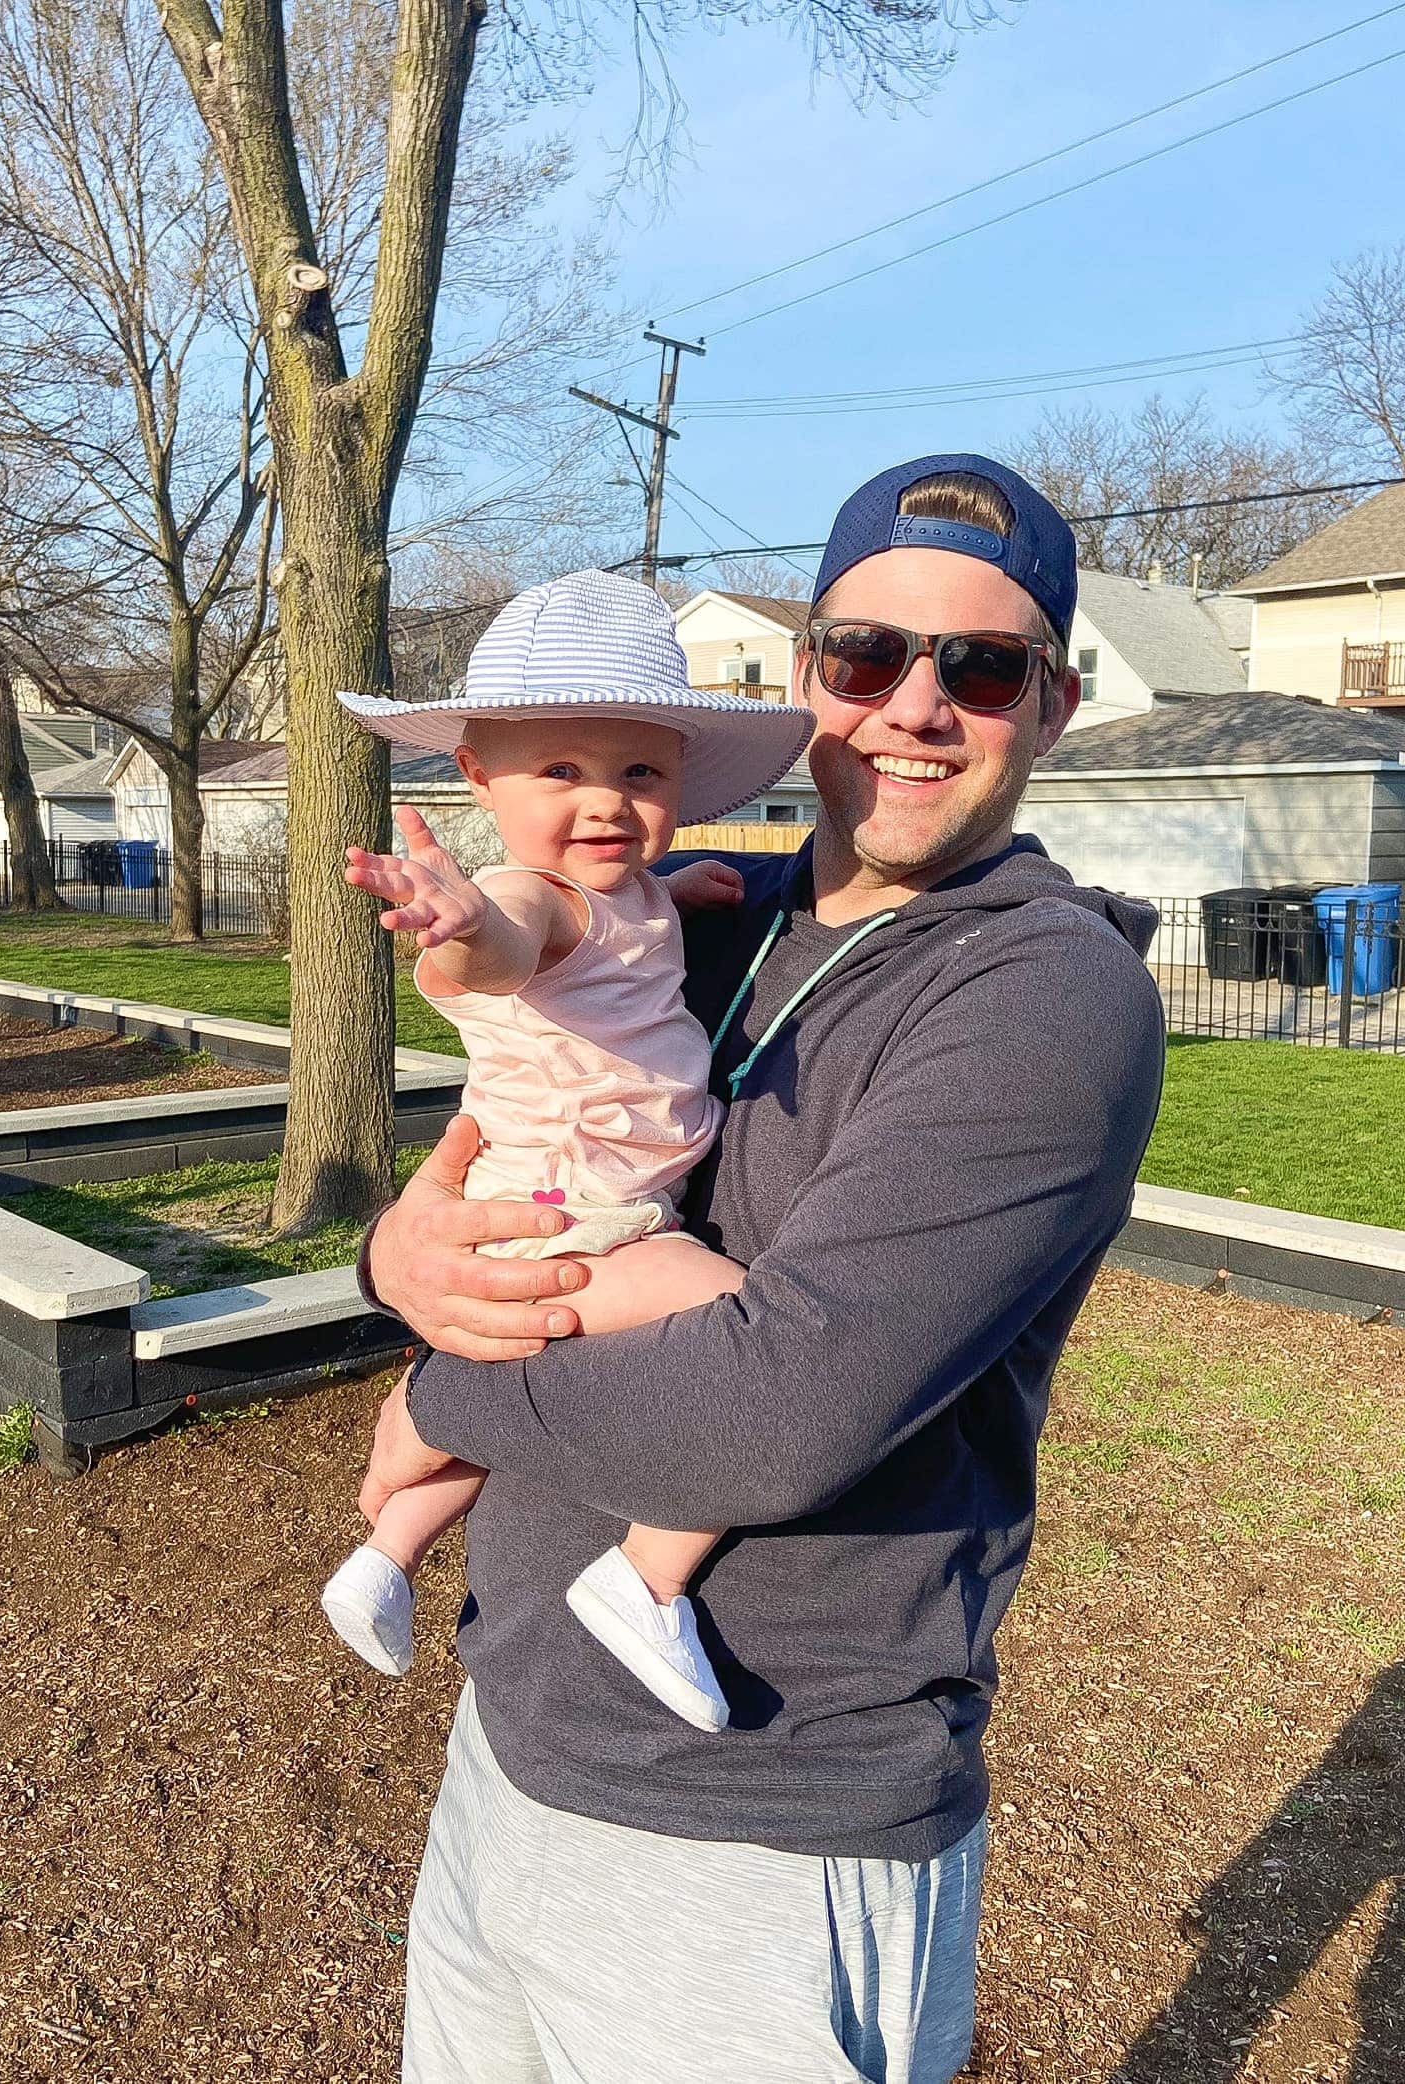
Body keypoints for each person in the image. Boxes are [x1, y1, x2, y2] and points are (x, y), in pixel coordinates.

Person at [353, 455, 1167, 2084]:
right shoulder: (690, 912)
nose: (915, 707)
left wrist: (441, 1372)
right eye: (868, 654)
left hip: (758, 1833)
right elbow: (517, 1087)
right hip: (511, 1726)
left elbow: (770, 1416)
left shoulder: (1040, 995)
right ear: (808, 681)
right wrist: (397, 1251)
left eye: (982, 667)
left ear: (1054, 704)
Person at [323, 570, 813, 1733]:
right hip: (579, 1204)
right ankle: (644, 1580)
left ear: (678, 781)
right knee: (747, 1344)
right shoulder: (523, 894)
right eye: (561, 771)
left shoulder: (630, 892)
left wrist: (677, 889)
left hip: (557, 1189)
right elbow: (508, 945)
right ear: (477, 777)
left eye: (638, 773)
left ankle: (383, 1558)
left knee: (502, 1376)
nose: (604, 803)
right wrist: (459, 925)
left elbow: (618, 930)